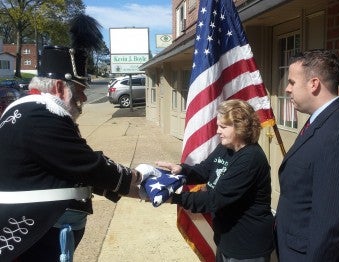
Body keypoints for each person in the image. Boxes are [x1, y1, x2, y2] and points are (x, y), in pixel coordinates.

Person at [0, 14, 155, 261]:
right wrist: (140, 176)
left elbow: (72, 171)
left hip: (44, 229)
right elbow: (86, 164)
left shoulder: (35, 112)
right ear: (60, 87)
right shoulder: (40, 116)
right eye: (80, 90)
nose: (83, 99)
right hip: (33, 233)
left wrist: (137, 192)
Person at [157, 99, 274, 262]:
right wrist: (181, 169)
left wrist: (173, 198)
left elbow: (214, 199)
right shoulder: (226, 148)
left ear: (241, 127)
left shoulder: (250, 159)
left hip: (247, 248)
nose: (218, 131)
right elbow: (204, 170)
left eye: (223, 127)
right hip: (226, 239)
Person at [275, 49, 339, 261]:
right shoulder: (319, 121)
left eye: (292, 82)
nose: (287, 89)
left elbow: (331, 223)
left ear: (314, 84)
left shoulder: (338, 134)